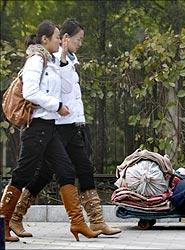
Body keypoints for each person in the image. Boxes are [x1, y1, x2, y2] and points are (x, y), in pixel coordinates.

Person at [8, 19, 121, 238]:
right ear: (64, 39)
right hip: (55, 126)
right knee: (41, 175)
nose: (80, 44)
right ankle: (14, 217)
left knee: (82, 169)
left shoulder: (66, 59)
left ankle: (94, 221)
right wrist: (61, 67)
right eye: (77, 40)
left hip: (71, 125)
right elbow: (50, 90)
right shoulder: (49, 60)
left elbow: (71, 93)